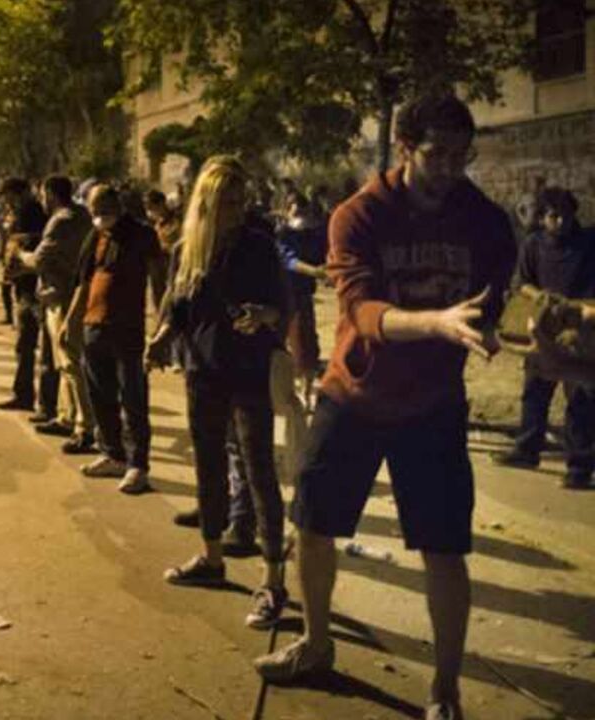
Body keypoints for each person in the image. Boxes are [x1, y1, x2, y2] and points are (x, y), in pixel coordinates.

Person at [252, 94, 517, 720]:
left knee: (444, 547)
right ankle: (317, 644)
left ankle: (444, 690)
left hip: (434, 405)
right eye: (436, 154)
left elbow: (495, 298)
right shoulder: (360, 214)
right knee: (313, 525)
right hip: (354, 394)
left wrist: (498, 326)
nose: (450, 168)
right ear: (404, 148)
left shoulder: (484, 220)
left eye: (461, 155)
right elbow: (361, 310)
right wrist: (435, 322)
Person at [148, 156, 291, 629]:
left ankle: (273, 581)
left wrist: (264, 315)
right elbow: (178, 308)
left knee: (258, 472)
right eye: (224, 201)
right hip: (202, 371)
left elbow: (282, 306)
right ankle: (212, 558)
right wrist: (160, 337)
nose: (234, 209)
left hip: (249, 371)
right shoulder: (187, 249)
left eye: (238, 200)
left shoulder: (259, 246)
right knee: (208, 467)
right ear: (204, 203)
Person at [64, 184, 167, 494]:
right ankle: (113, 454)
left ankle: (138, 465)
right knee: (100, 394)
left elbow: (159, 281)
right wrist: (71, 320)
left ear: (117, 205)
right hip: (93, 325)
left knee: (133, 399)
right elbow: (84, 281)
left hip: (127, 329)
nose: (100, 216)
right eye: (94, 211)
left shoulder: (142, 235)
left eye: (104, 209)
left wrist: (160, 327)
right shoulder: (95, 235)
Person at [494, 187, 595, 489]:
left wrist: (576, 310)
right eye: (553, 216)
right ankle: (527, 449)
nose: (560, 221)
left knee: (580, 398)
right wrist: (541, 297)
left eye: (566, 215)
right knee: (535, 389)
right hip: (542, 324)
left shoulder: (588, 244)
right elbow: (522, 283)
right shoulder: (533, 245)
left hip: (578, 327)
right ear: (542, 218)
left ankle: (579, 468)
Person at [11, 175, 96, 454]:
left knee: (70, 362)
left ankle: (84, 426)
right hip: (65, 294)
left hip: (62, 297)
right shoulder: (82, 216)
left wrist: (19, 255)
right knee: (63, 362)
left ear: (50, 193)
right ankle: (67, 415)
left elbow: (40, 259)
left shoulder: (62, 220)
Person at [0, 177, 57, 419]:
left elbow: (34, 245)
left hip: (34, 287)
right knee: (25, 346)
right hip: (24, 288)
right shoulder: (23, 212)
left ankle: (45, 403)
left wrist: (17, 252)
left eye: (9, 197)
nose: (8, 203)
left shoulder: (31, 211)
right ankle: (26, 395)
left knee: (42, 349)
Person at [276, 193, 330, 408]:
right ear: (286, 211)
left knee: (306, 343)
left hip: (303, 295)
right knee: (283, 344)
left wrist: (326, 268)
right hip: (283, 295)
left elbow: (323, 255)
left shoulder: (312, 234)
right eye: (295, 210)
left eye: (302, 211)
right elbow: (288, 260)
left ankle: (305, 390)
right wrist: (314, 271)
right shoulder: (282, 234)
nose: (299, 215)